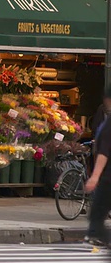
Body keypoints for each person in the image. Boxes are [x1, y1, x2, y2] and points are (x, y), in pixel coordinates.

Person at [84, 87, 111, 248]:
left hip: (108, 178)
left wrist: (94, 177)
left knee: (97, 213)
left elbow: (104, 152)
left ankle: (97, 235)